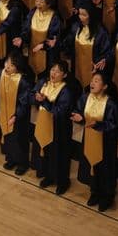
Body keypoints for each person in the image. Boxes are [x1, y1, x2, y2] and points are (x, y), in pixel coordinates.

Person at [71, 72, 118, 212]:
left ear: (104, 86)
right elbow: (78, 110)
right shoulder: (86, 97)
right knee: (90, 164)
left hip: (105, 143)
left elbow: (113, 124)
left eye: (97, 81)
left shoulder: (110, 104)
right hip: (89, 139)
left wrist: (97, 125)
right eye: (92, 80)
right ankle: (95, 192)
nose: (92, 83)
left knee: (104, 169)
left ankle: (106, 196)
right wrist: (78, 116)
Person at [31, 61, 73, 195]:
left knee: (59, 155)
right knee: (46, 151)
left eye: (58, 71)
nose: (53, 73)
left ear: (64, 75)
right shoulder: (44, 82)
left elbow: (60, 111)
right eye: (52, 70)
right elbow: (32, 94)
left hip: (59, 128)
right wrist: (36, 98)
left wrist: (44, 101)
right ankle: (48, 176)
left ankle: (62, 182)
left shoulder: (66, 90)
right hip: (43, 123)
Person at [0, 51, 32, 175]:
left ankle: (23, 163)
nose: (7, 66)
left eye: (12, 65)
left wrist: (16, 116)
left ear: (18, 68)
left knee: (18, 139)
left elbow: (24, 103)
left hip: (18, 117)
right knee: (6, 137)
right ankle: (10, 159)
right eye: (7, 63)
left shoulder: (23, 81)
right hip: (4, 113)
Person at [61, 4, 112, 90]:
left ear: (91, 16)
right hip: (77, 65)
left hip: (93, 68)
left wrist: (104, 59)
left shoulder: (101, 32)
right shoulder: (76, 27)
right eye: (80, 14)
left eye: (84, 15)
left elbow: (106, 51)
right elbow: (68, 43)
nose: (81, 17)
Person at [14, 0, 61, 79]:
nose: (38, 4)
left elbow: (53, 38)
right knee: (31, 72)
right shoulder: (32, 12)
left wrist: (43, 45)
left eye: (41, 2)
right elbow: (26, 29)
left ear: (48, 4)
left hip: (47, 54)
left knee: (44, 76)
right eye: (37, 1)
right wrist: (22, 38)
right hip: (33, 50)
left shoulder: (54, 17)